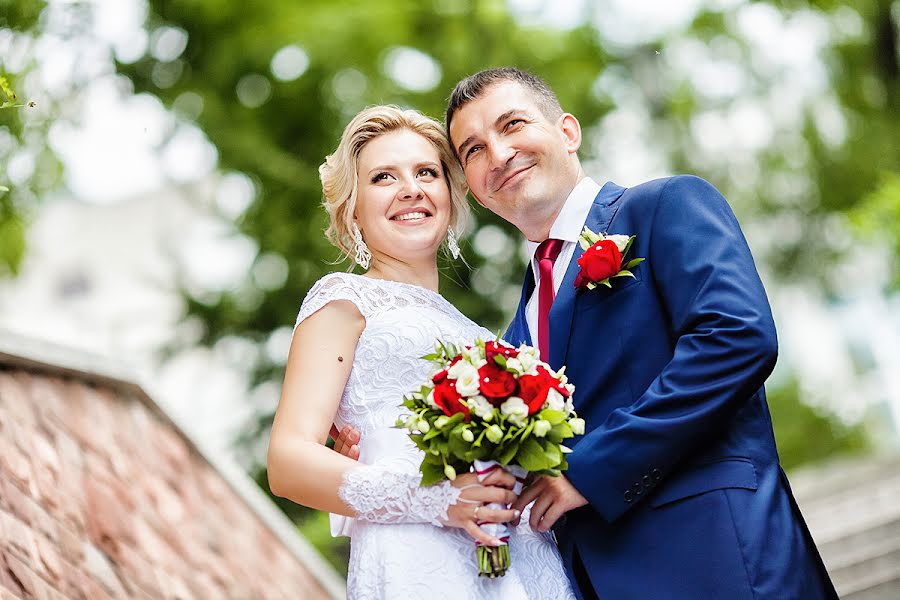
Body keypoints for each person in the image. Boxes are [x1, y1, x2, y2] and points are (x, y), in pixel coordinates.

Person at [338, 68, 839, 599]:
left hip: (720, 557)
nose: (500, 154)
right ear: (475, 191)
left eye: (513, 125)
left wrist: (590, 471)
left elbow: (736, 339)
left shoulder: (664, 207)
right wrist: (379, 455)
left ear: (568, 132)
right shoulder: (513, 336)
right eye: (474, 150)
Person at [267, 105, 577, 600]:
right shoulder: (342, 301)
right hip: (418, 558)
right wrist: (437, 500)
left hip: (519, 557)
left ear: (450, 198)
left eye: (426, 172)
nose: (410, 188)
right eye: (383, 177)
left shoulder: (483, 336)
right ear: (353, 207)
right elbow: (287, 461)